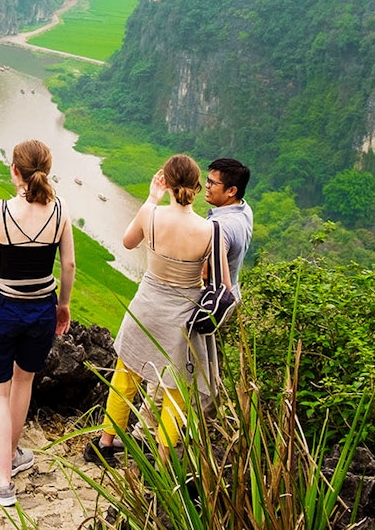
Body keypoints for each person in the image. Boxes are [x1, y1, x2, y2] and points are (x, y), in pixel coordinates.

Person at [83, 154, 231, 467]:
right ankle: (162, 461)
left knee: (125, 378)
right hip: (181, 319)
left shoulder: (151, 214)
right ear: (196, 185)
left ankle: (106, 443)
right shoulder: (211, 231)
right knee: (175, 391)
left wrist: (151, 198)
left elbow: (127, 242)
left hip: (145, 308)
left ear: (167, 181)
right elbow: (224, 287)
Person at [0, 140, 75, 506]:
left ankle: (1, 481)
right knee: (24, 381)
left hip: (4, 305)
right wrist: (63, 306)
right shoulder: (60, 210)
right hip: (41, 307)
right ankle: (12, 456)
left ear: (14, 170)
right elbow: (68, 267)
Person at [204, 158, 253, 301]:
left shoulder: (219, 227)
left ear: (231, 191)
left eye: (212, 183)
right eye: (207, 180)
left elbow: (205, 273)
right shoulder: (244, 209)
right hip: (233, 295)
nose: (206, 185)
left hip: (214, 304)